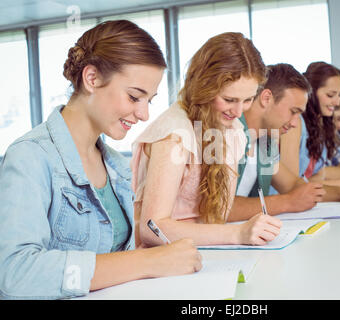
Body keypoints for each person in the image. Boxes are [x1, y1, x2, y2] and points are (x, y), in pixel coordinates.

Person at [0, 20, 202, 300]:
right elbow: (15, 274)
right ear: (92, 78)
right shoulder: (30, 157)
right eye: (134, 97)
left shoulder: (117, 166)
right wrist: (148, 262)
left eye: (149, 101)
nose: (143, 114)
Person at [132, 32, 282, 247]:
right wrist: (237, 234)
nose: (239, 111)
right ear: (205, 88)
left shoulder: (234, 131)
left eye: (247, 100)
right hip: (161, 260)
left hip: (207, 252)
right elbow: (151, 228)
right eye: (229, 99)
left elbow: (217, 217)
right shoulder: (175, 134)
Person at [228, 63, 340, 222]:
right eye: (293, 112)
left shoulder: (264, 141)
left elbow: (292, 184)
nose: (295, 124)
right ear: (266, 99)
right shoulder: (227, 132)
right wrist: (287, 202)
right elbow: (218, 208)